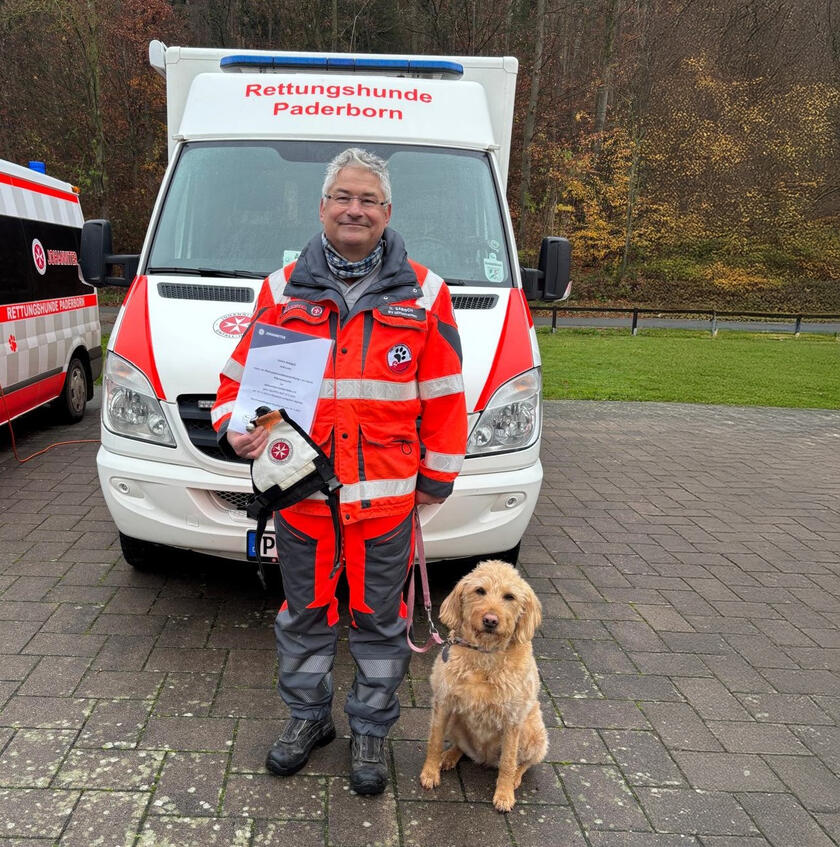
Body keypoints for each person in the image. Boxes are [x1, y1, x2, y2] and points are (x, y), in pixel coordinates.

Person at [211, 148, 467, 795]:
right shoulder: (281, 288)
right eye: (343, 197)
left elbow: (444, 397)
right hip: (300, 499)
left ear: (387, 212)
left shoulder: (426, 293)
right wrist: (234, 426)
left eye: (369, 200)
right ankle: (306, 721)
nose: (355, 209)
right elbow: (238, 386)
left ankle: (372, 731)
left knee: (382, 627)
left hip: (384, 507)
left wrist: (434, 485)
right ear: (322, 206)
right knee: (305, 617)